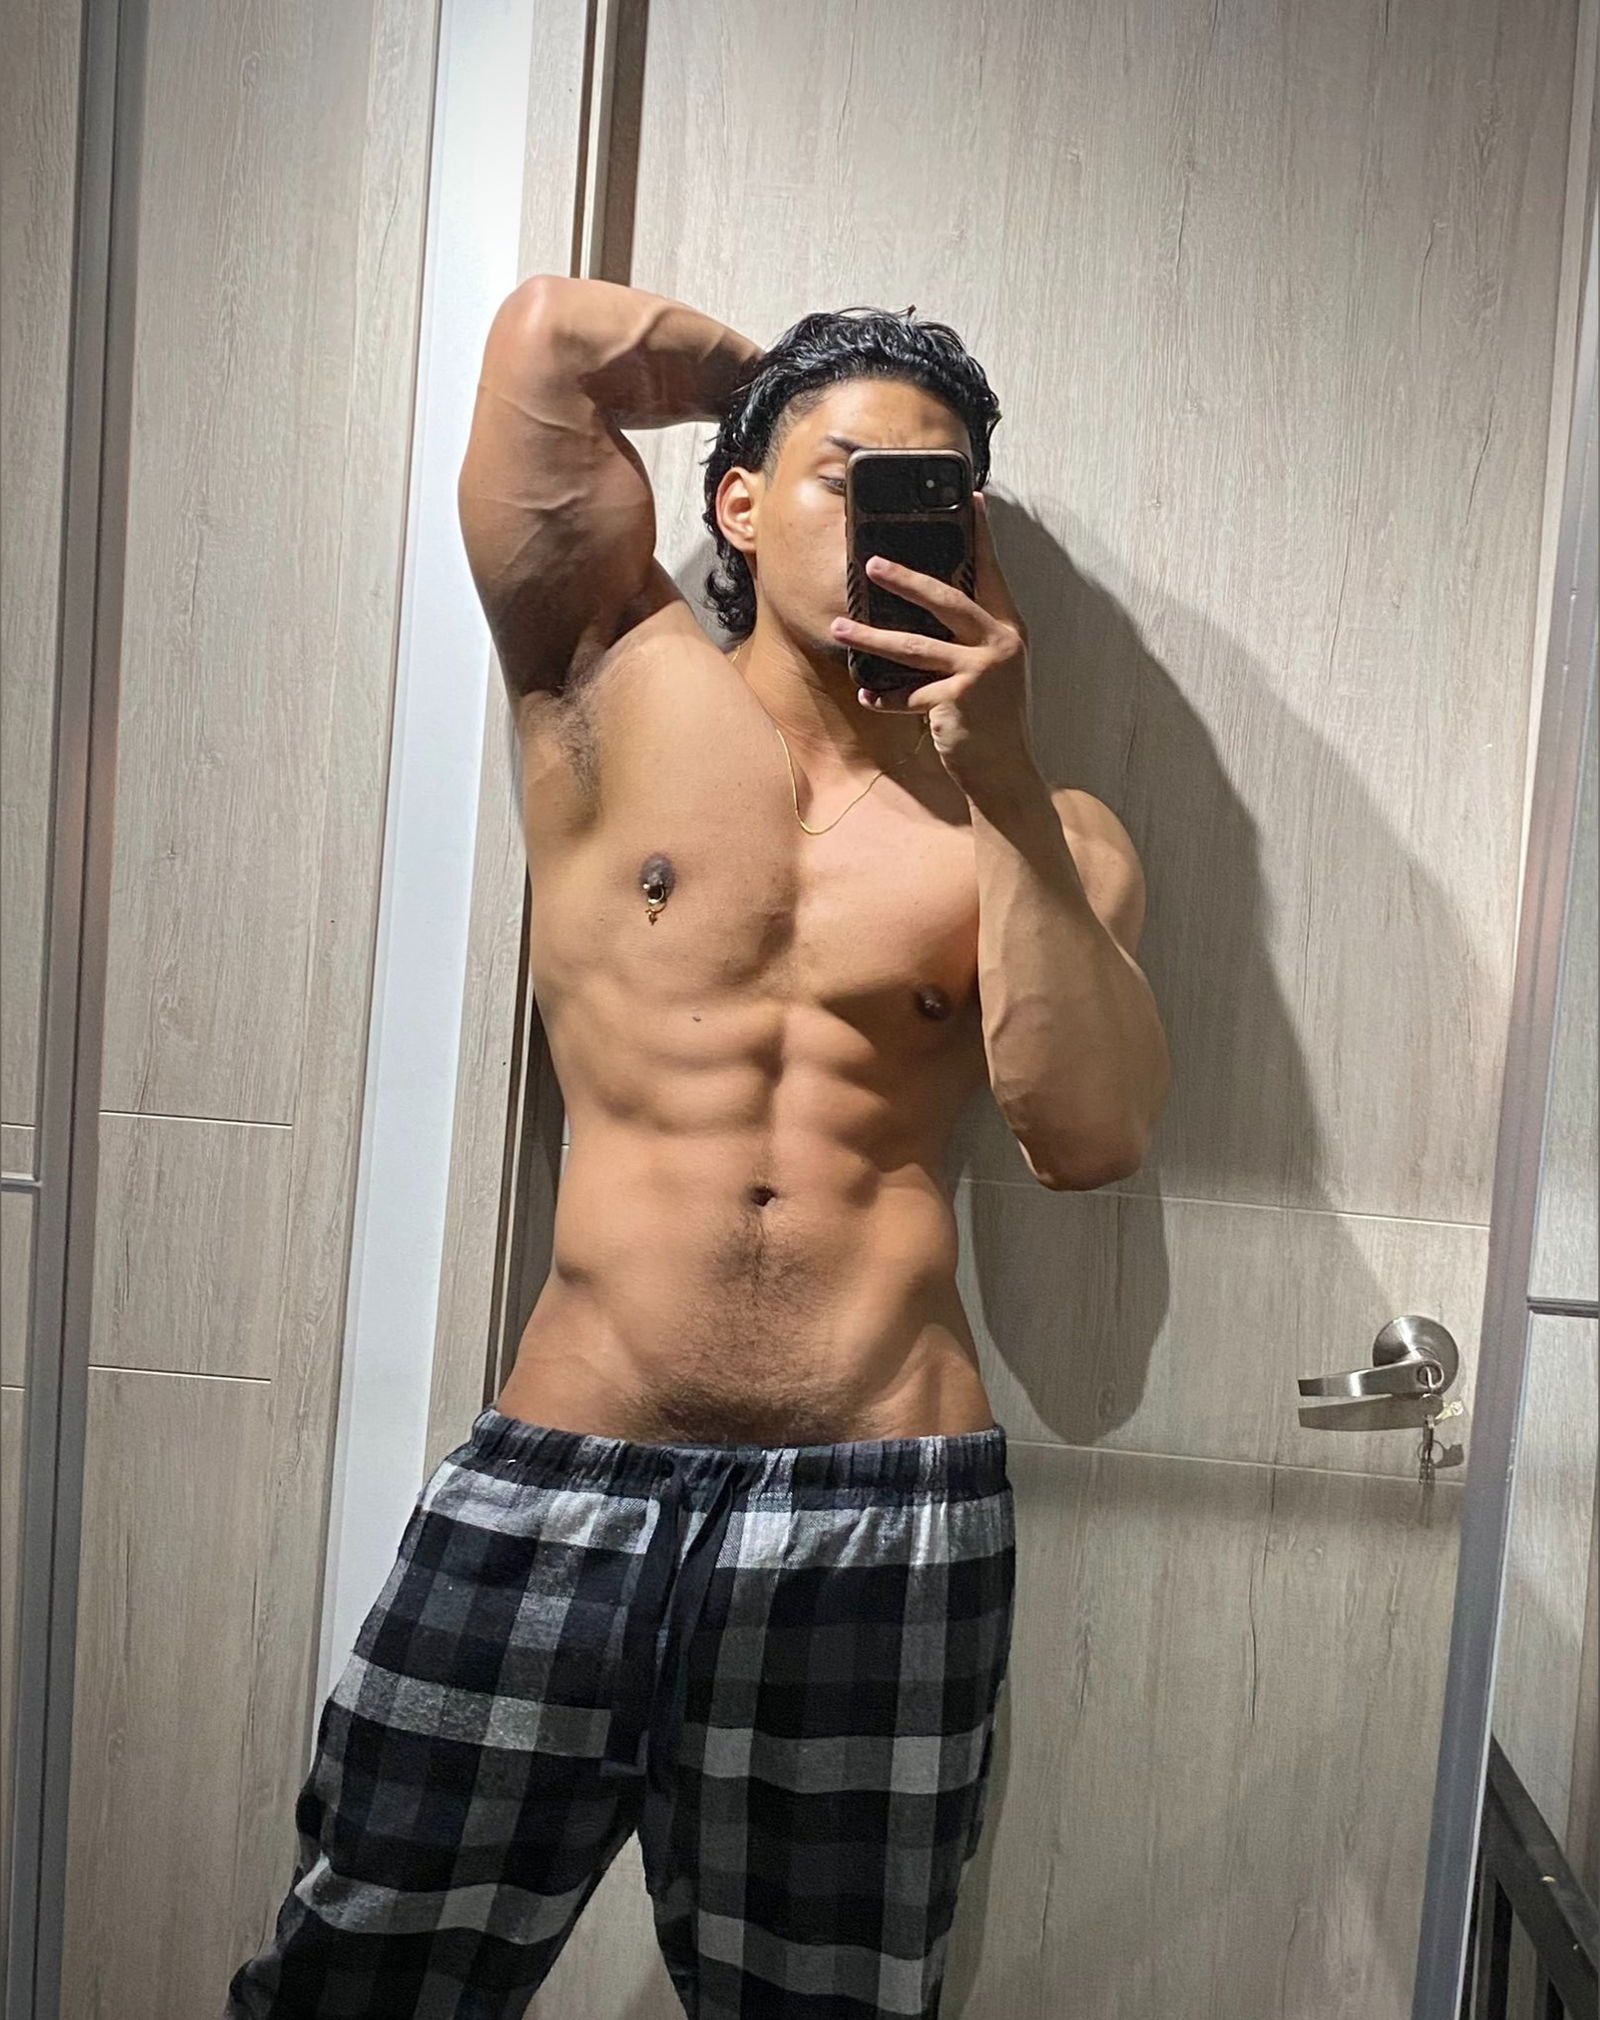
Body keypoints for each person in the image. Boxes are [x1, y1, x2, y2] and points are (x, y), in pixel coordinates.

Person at [226, 276, 1170, 2018]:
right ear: (733, 499)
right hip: (560, 1477)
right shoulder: (602, 672)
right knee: (357, 1977)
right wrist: (784, 380)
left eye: (933, 495)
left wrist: (1005, 773)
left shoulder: (1045, 828)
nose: (889, 519)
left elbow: (1089, 1136)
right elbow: (549, 343)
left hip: (883, 1508)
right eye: (847, 479)